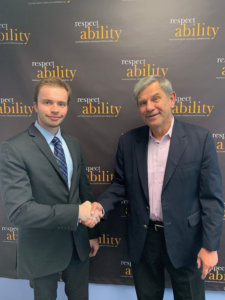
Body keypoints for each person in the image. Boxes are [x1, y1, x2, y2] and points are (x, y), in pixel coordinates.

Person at [90, 76, 224, 300]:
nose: (149, 107)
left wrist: (210, 246)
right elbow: (120, 184)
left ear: (171, 99)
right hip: (144, 240)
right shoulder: (129, 142)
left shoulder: (200, 140)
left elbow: (212, 199)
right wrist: (100, 207)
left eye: (155, 99)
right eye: (143, 103)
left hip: (186, 241)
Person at [0, 77, 100, 300]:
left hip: (78, 244)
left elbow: (83, 190)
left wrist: (92, 232)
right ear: (35, 105)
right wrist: (76, 213)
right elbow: (20, 211)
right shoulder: (14, 149)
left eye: (61, 104)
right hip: (41, 249)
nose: (55, 109)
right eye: (47, 102)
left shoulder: (73, 143)